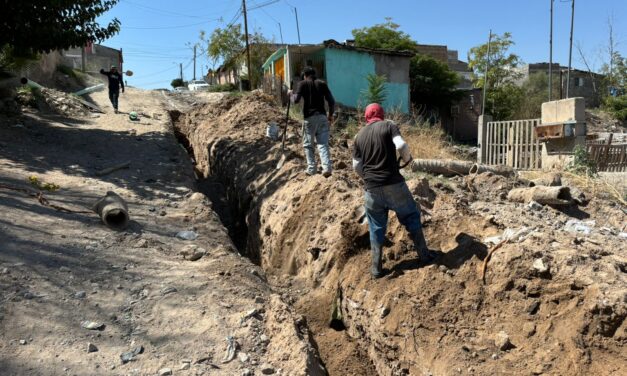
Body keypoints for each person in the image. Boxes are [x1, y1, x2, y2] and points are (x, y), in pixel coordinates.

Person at [352, 103, 436, 278]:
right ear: (381, 115)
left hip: (371, 190)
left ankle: (376, 270)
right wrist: (408, 158)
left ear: (367, 117)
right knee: (411, 215)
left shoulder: (358, 136)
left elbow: (356, 166)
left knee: (375, 228)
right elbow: (401, 145)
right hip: (393, 185)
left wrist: (368, 179)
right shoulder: (389, 125)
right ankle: (424, 255)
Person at [290, 67, 335, 177]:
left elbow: (295, 100)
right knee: (323, 144)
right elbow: (332, 101)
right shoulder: (322, 83)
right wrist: (330, 116)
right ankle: (327, 168)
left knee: (308, 145)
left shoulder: (302, 83)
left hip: (309, 118)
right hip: (322, 117)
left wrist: (290, 94)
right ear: (314, 74)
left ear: (305, 75)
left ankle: (312, 169)